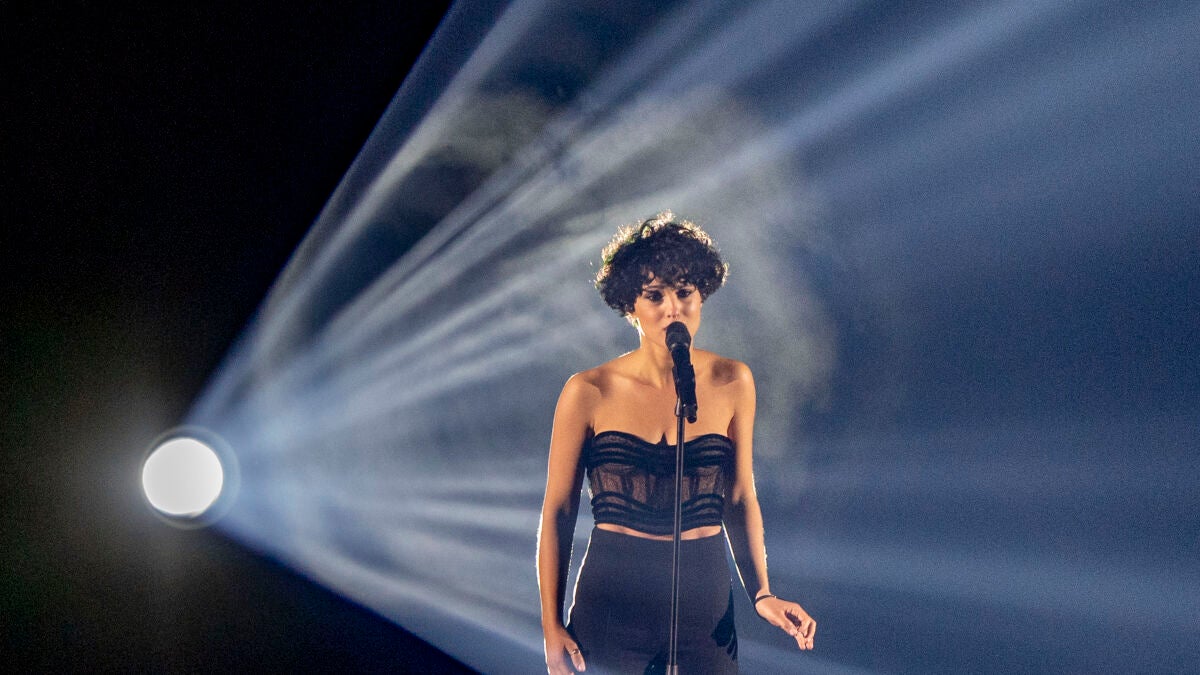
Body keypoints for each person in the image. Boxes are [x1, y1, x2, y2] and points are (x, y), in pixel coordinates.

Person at [537, 212, 816, 674]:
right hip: (612, 602)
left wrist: (761, 593)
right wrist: (550, 623)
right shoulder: (588, 390)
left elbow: (740, 496)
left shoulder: (733, 381)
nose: (673, 309)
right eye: (655, 295)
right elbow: (558, 510)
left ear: (701, 296)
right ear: (631, 304)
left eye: (684, 292)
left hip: (704, 603)